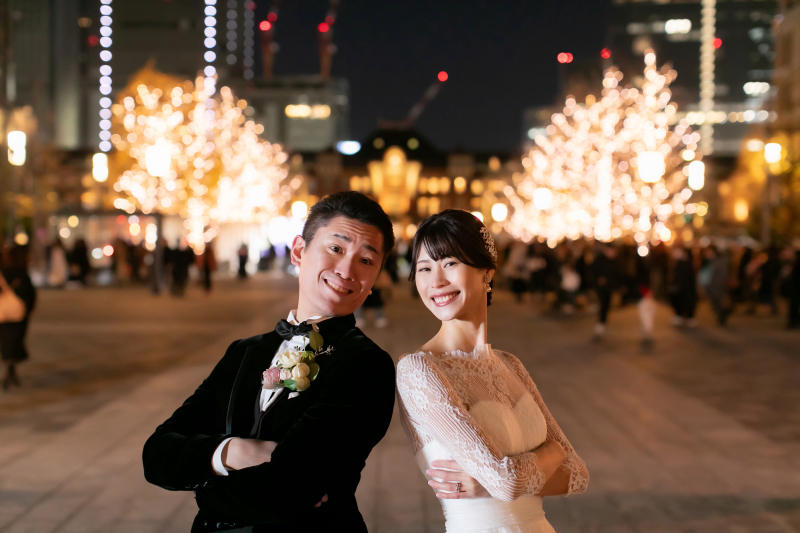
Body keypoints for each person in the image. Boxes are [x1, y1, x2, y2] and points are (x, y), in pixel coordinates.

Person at [143, 192, 396, 533]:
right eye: (336, 248)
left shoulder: (367, 364)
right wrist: (232, 451)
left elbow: (288, 491)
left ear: (375, 279)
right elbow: (157, 454)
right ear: (298, 252)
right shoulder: (244, 351)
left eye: (366, 260)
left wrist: (203, 484)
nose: (347, 269)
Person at [396, 210, 588, 533]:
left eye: (450, 263)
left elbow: (578, 474)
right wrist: (549, 454)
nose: (436, 281)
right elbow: (507, 482)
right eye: (424, 268)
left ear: (486, 270)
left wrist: (492, 483)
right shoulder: (418, 369)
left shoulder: (510, 364)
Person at [0, 245, 36, 390]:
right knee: (15, 341)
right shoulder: (22, 273)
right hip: (18, 314)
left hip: (2, 314)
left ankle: (10, 369)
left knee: (5, 342)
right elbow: (30, 295)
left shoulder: (2, 271)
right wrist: (27, 309)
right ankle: (11, 369)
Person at [592, 243, 618, 337]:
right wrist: (599, 279)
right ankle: (601, 322)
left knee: (607, 304)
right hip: (601, 287)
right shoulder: (599, 260)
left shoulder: (614, 261)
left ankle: (604, 321)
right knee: (603, 303)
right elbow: (594, 271)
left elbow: (617, 273)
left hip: (609, 286)